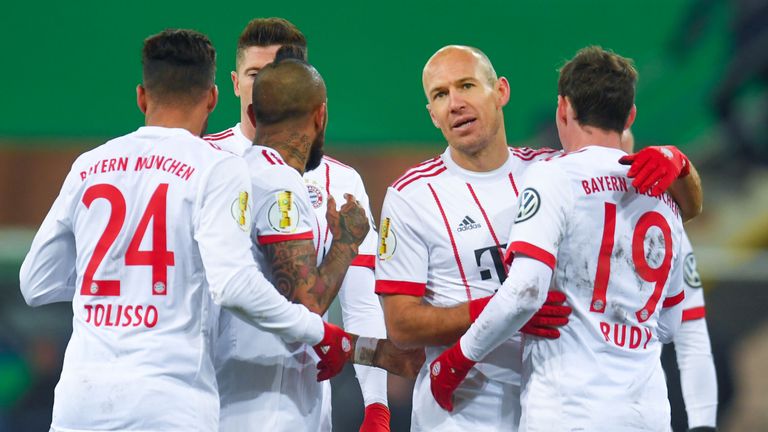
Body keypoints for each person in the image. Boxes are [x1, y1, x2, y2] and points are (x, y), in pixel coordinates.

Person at [18, 29, 352, 432]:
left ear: (142, 96)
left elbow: (35, 283)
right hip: (169, 402)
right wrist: (318, 330)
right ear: (212, 97)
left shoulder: (89, 165)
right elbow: (233, 285)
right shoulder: (214, 167)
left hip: (80, 401)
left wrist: (122, 279)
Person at [376, 44, 704, 431]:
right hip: (463, 410)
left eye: (466, 86)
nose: (455, 103)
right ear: (431, 114)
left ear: (501, 91)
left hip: (550, 403)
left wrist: (677, 163)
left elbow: (679, 202)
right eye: (440, 95)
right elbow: (402, 326)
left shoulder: (551, 170)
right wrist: (497, 311)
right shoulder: (411, 195)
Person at [206, 18, 395, 431]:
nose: (267, 88)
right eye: (256, 76)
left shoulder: (342, 183)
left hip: (304, 409)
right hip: (210, 402)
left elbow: (361, 303)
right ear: (237, 84)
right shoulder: (205, 163)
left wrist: (375, 404)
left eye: (279, 75)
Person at [622, 130, 718, 432]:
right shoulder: (555, 198)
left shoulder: (661, 214)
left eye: (620, 132)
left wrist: (703, 424)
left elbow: (692, 333)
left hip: (642, 412)